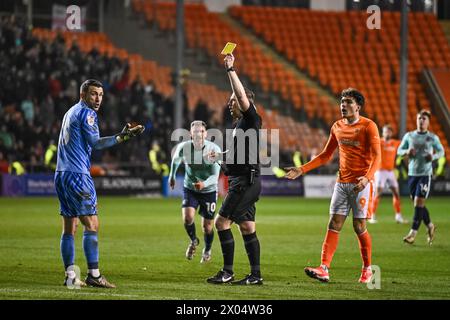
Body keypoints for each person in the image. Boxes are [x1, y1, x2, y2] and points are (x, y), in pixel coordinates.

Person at [55, 79, 144, 288]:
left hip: (61, 173)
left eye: (101, 95)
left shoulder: (70, 112)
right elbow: (96, 143)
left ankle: (70, 277)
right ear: (83, 94)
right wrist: (123, 137)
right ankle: (94, 275)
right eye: (94, 94)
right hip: (77, 175)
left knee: (70, 226)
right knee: (92, 224)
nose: (98, 99)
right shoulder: (87, 113)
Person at [285, 88, 381, 284]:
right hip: (342, 183)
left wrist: (367, 177)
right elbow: (325, 156)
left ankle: (367, 269)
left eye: (348, 102)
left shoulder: (369, 126)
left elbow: (378, 156)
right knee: (334, 224)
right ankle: (324, 268)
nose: (343, 105)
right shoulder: (337, 126)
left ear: (358, 106)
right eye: (342, 102)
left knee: (358, 226)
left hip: (361, 184)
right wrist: (302, 169)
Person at [207, 53, 263, 285]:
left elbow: (240, 94)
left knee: (221, 223)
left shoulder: (251, 118)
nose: (230, 103)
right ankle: (255, 276)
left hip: (245, 182)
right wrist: (221, 157)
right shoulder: (240, 125)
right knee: (247, 227)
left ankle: (227, 272)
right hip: (246, 180)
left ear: (244, 103)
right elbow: (239, 154)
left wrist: (231, 69)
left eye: (233, 101)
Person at [169, 120, 221, 263]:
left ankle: (208, 249)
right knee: (187, 218)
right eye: (195, 132)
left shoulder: (213, 150)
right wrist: (172, 175)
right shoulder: (184, 147)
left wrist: (203, 184)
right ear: (191, 134)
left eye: (202, 132)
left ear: (206, 134)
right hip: (190, 188)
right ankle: (194, 241)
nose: (199, 134)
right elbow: (176, 159)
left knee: (207, 227)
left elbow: (215, 176)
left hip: (209, 191)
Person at [398, 110, 445, 245]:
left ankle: (412, 234)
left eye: (424, 119)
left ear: (428, 122)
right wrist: (406, 152)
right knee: (418, 204)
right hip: (412, 174)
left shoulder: (432, 137)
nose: (421, 121)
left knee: (418, 203)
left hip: (425, 174)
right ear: (416, 120)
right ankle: (430, 225)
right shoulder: (409, 136)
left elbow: (441, 151)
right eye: (419, 118)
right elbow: (399, 151)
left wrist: (434, 156)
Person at [370, 124, 407, 224]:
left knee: (396, 193)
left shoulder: (395, 143)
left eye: (389, 131)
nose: (387, 133)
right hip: (380, 171)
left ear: (392, 133)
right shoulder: (379, 142)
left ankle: (398, 216)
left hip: (390, 171)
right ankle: (372, 215)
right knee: (378, 193)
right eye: (386, 131)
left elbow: (405, 145)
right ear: (383, 132)